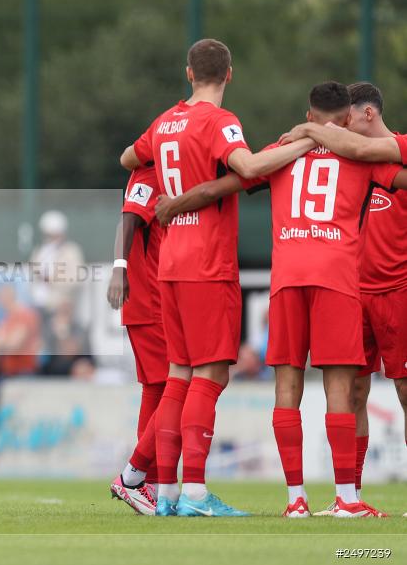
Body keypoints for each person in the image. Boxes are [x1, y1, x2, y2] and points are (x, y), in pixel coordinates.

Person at [155, 81, 407, 518]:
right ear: (348, 119)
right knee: (340, 388)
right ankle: (347, 497)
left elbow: (226, 185)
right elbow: (398, 174)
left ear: (309, 116)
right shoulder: (359, 155)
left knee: (286, 387)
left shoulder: (280, 151)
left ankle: (295, 500)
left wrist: (175, 204)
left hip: (287, 279)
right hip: (337, 278)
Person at [119, 38, 315, 517]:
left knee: (179, 374)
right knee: (211, 373)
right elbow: (246, 166)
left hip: (169, 264)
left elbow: (129, 157)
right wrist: (310, 140)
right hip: (207, 263)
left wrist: (170, 173)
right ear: (230, 74)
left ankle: (164, 494)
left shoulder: (165, 121)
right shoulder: (220, 122)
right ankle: (195, 493)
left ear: (189, 74)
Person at [283, 82, 407, 516]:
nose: (343, 127)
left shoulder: (389, 153)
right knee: (354, 392)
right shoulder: (346, 159)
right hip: (351, 292)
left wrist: (308, 129)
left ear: (366, 115)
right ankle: (348, 495)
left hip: (398, 292)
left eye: (349, 119)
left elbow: (357, 146)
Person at [106, 164, 167, 515]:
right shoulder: (151, 170)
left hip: (151, 300)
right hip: (151, 301)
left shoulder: (161, 168)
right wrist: (120, 267)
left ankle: (149, 485)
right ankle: (134, 476)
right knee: (179, 385)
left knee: (157, 390)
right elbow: (129, 217)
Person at [0, 285, 41, 423]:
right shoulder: (7, 319)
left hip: (23, 369)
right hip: (9, 369)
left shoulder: (24, 315)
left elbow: (14, 344)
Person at [30, 210, 85, 317]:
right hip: (37, 305)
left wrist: (51, 280)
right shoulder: (40, 251)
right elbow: (33, 273)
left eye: (53, 235)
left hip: (59, 307)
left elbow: (76, 279)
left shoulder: (71, 251)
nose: (50, 238)